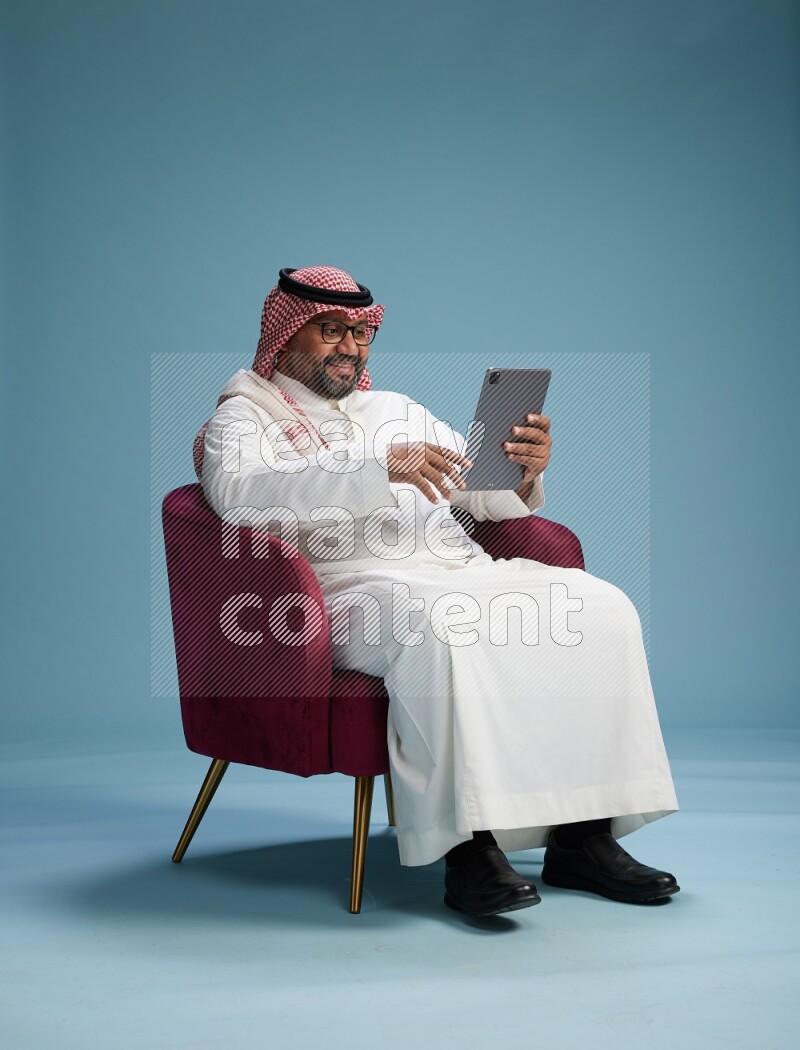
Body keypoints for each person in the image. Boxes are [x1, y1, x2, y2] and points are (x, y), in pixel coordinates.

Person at [195, 265, 680, 917]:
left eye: (360, 333)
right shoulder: (243, 418)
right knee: (442, 627)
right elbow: (239, 498)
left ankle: (584, 836)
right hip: (344, 591)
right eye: (330, 331)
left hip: (457, 569)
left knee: (600, 610)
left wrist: (524, 471)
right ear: (284, 340)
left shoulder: (394, 407)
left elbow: (472, 487)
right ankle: (468, 853)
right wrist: (373, 468)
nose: (350, 347)